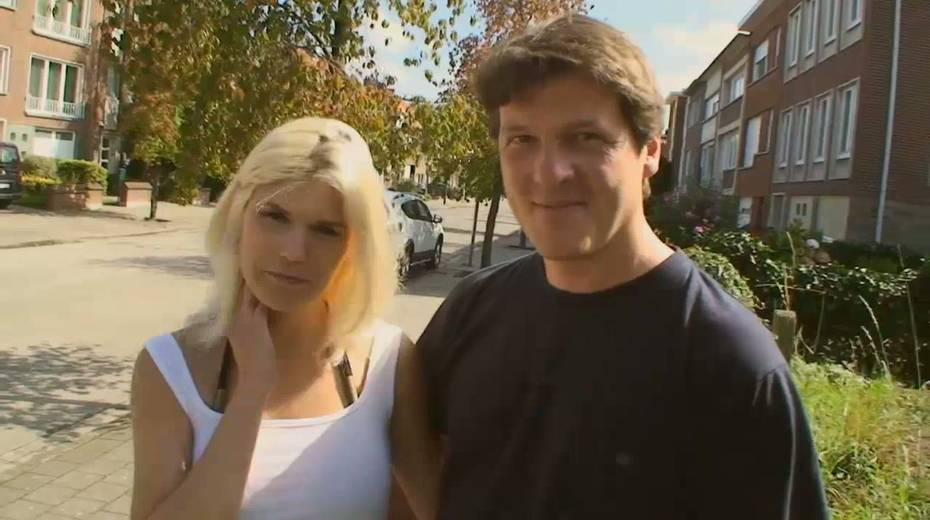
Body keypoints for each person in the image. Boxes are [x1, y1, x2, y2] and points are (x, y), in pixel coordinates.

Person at [417, 14, 829, 519]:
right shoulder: (470, 310)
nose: (549, 173)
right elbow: (403, 466)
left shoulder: (730, 365)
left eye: (585, 138)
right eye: (522, 140)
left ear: (650, 151)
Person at [131, 117, 439, 520]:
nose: (294, 251)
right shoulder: (170, 368)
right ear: (239, 216)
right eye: (275, 216)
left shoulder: (387, 362)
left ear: (353, 246)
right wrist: (252, 391)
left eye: (326, 230)